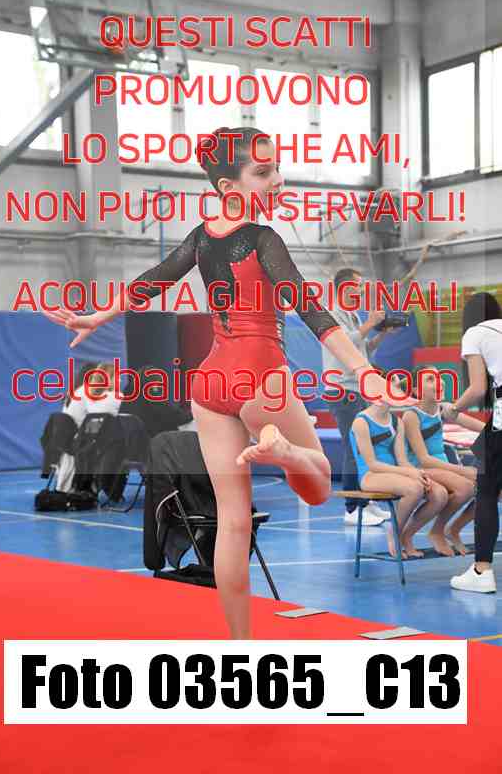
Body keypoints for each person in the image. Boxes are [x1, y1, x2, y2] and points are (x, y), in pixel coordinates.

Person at [44, 126, 412, 639]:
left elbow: (155, 278)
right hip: (261, 376)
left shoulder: (200, 237)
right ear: (227, 186)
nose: (277, 179)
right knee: (318, 483)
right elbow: (309, 307)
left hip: (210, 381)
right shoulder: (263, 239)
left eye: (276, 167)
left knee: (233, 522)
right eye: (263, 172)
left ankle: (241, 645)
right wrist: (365, 372)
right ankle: (284, 452)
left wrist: (98, 315)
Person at [323, 268, 396, 527]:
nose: (362, 290)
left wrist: (382, 332)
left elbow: (364, 348)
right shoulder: (331, 314)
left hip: (359, 389)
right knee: (354, 447)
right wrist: (370, 323)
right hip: (343, 390)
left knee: (366, 446)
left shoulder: (353, 315)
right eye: (358, 285)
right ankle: (352, 508)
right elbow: (344, 342)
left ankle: (367, 500)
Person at [442, 292, 502, 593]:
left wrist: (453, 409)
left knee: (487, 490)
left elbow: (478, 388)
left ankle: (481, 570)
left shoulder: (475, 334)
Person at [350, 377, 448, 558]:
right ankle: (393, 533)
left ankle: (407, 535)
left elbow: (402, 460)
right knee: (414, 488)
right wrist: (409, 473)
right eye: (393, 389)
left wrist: (417, 472)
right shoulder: (361, 422)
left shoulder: (397, 422)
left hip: (394, 473)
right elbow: (372, 464)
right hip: (371, 475)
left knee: (439, 495)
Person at [402, 365, 483, 556]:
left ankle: (453, 529)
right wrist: (463, 470)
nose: (438, 382)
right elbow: (424, 459)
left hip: (442, 468)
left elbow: (482, 427)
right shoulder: (411, 416)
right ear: (416, 390)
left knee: (489, 487)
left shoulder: (443, 409)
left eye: (439, 377)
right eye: (430, 379)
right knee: (466, 487)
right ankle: (433, 531)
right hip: (421, 468)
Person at [56, 361, 122, 491]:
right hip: (79, 441)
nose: (119, 380)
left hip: (71, 439)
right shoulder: (91, 393)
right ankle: (106, 487)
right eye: (117, 377)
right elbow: (100, 417)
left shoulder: (78, 392)